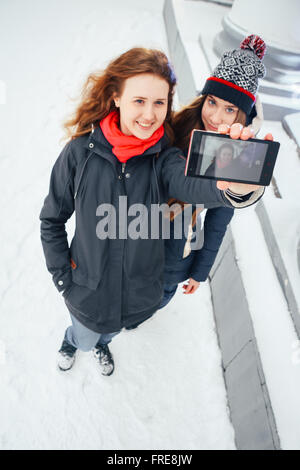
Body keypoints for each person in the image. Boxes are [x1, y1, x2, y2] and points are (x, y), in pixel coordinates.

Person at [39, 47, 265, 374]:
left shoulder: (166, 157)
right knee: (86, 337)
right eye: (139, 101)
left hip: (139, 291)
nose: (149, 115)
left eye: (159, 103)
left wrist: (237, 184)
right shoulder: (80, 153)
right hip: (86, 291)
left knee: (109, 335)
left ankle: (103, 342)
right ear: (116, 97)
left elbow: (193, 187)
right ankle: (74, 340)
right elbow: (51, 220)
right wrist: (64, 279)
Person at [157, 34, 273, 308]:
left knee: (157, 301)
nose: (216, 117)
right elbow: (177, 181)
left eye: (229, 109)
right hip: (138, 236)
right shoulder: (173, 131)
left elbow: (218, 223)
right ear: (202, 99)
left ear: (241, 116)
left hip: (175, 257)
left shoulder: (230, 155)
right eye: (212, 102)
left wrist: (199, 271)